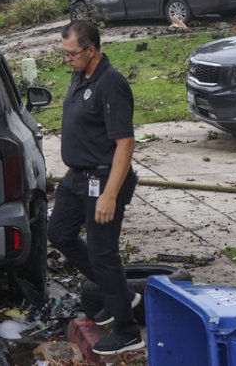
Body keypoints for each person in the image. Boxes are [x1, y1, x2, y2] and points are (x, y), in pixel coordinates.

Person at [48, 21, 143, 356]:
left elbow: (125, 143)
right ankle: (119, 293)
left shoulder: (111, 83)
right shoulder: (79, 75)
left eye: (71, 54)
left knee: (104, 254)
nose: (67, 59)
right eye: (64, 53)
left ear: (91, 51)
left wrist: (110, 194)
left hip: (102, 179)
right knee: (59, 233)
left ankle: (128, 331)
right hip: (76, 176)